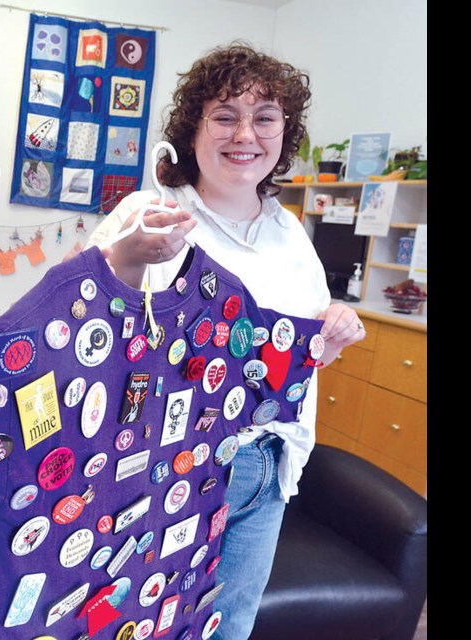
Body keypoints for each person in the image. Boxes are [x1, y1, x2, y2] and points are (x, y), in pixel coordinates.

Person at [86, 42, 367, 640]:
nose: (246, 133)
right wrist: (122, 260)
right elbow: (79, 328)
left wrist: (334, 336)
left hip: (267, 466)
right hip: (161, 468)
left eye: (265, 116)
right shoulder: (150, 211)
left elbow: (298, 359)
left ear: (283, 133)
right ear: (193, 130)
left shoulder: (289, 232)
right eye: (225, 115)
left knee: (232, 624)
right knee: (136, 622)